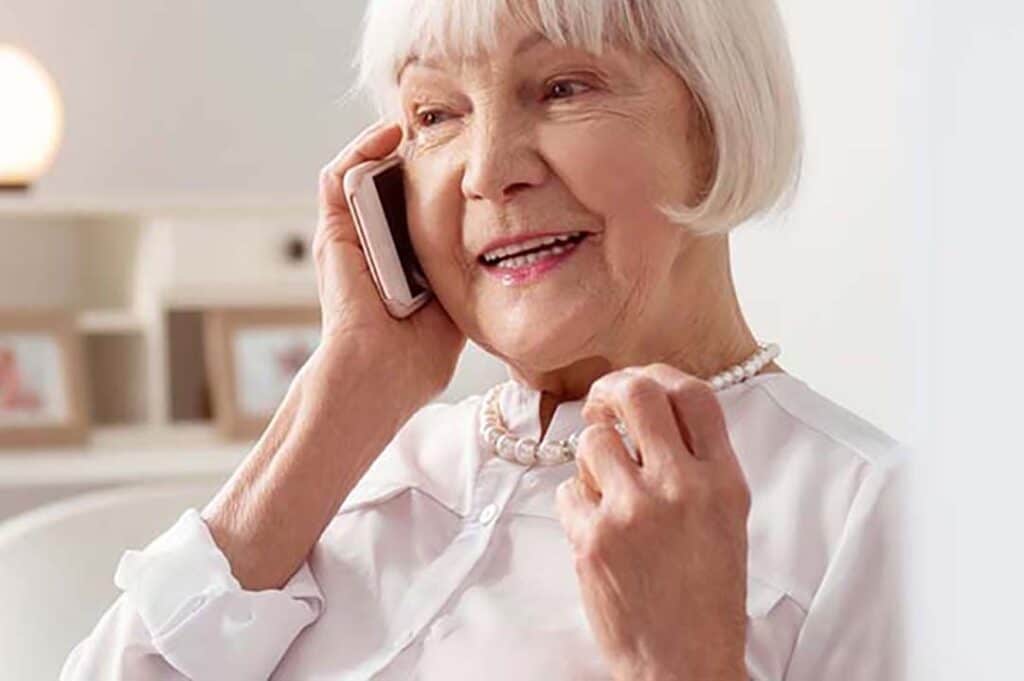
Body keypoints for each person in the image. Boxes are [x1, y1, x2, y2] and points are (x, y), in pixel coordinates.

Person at [61, 0, 908, 679]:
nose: (485, 168)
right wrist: (343, 391)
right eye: (436, 113)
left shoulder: (873, 513)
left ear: (717, 120)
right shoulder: (366, 458)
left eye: (564, 87)